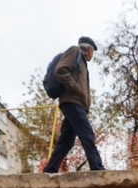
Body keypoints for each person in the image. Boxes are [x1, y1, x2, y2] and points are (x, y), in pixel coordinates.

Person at [43, 37, 106, 173]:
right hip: (73, 101)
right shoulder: (74, 51)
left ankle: (49, 170)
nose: (92, 55)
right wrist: (74, 88)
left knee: (66, 141)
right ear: (89, 49)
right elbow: (60, 70)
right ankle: (97, 167)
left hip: (76, 103)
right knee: (87, 133)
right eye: (93, 51)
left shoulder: (82, 63)